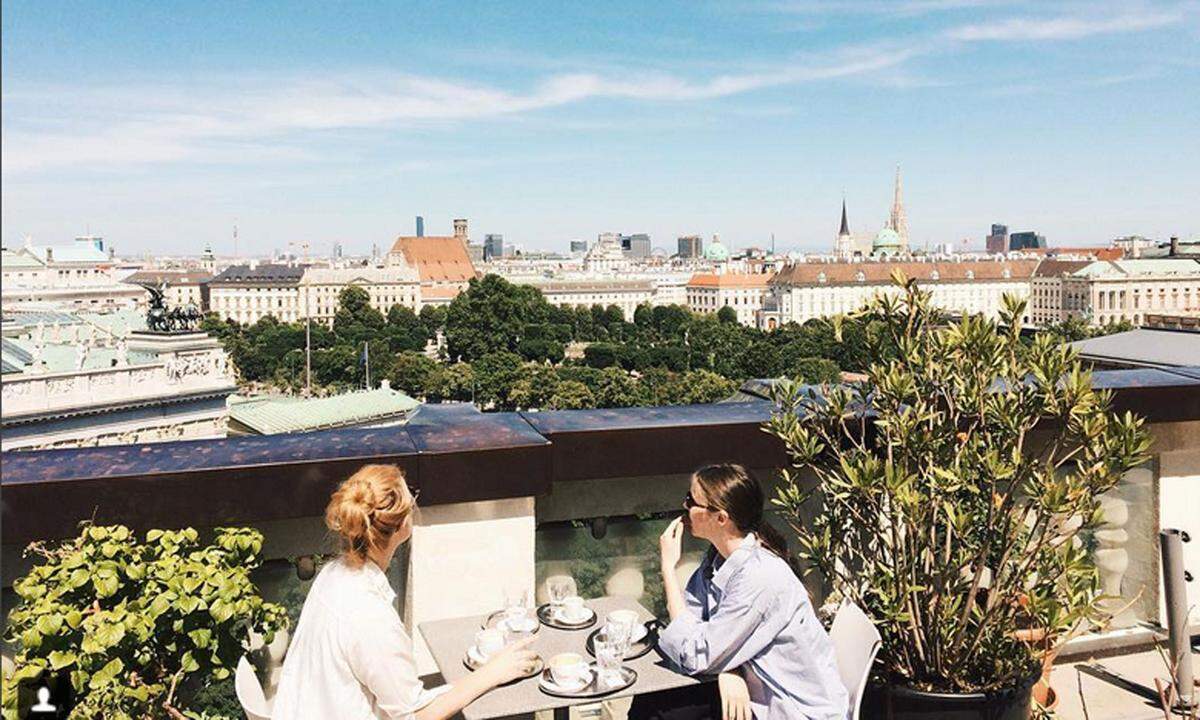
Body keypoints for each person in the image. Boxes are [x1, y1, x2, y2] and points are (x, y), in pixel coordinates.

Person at [273, 464, 539, 720]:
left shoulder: (333, 574)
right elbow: (416, 714)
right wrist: (493, 672)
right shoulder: (369, 614)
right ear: (401, 525)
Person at [630, 464, 849, 720]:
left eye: (692, 501)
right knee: (649, 701)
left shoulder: (760, 577)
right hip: (752, 681)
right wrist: (730, 669)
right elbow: (699, 623)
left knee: (658, 713)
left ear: (721, 518)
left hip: (787, 706)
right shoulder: (719, 558)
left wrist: (668, 568)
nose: (685, 506)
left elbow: (695, 655)